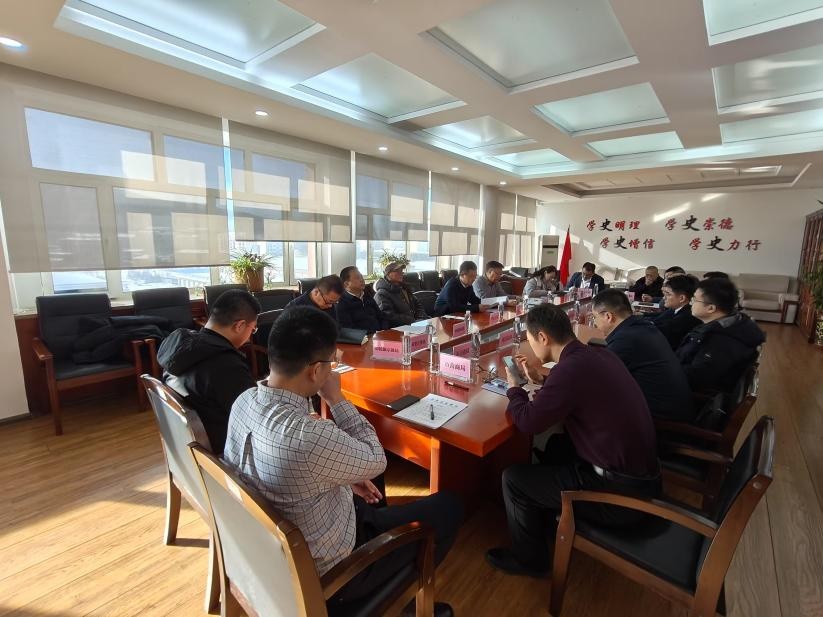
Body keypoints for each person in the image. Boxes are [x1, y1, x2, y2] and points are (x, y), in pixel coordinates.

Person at [224, 307, 462, 616]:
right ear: (315, 371)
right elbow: (377, 459)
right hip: (334, 572)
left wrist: (345, 479)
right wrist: (336, 398)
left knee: (371, 495)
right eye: (330, 363)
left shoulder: (243, 401)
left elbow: (300, 465)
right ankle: (409, 602)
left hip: (275, 548)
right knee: (449, 506)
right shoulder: (308, 437)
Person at [485, 304, 660, 577]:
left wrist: (515, 388)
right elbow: (575, 390)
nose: (530, 347)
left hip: (619, 497)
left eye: (529, 340)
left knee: (514, 479)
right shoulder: (598, 354)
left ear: (543, 338)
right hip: (643, 475)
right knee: (555, 446)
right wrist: (542, 380)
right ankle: (543, 518)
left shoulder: (569, 371)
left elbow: (528, 422)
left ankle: (529, 560)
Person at [157, 289, 260, 454]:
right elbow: (255, 418)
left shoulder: (178, 346)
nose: (249, 337)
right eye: (252, 329)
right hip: (222, 451)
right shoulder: (227, 365)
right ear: (240, 325)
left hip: (186, 446)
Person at [592, 290, 695, 421]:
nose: (594, 322)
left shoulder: (625, 340)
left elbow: (597, 378)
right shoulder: (641, 326)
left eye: (594, 317)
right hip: (672, 407)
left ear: (608, 316)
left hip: (660, 420)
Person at [677, 277, 765, 395]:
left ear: (711, 308)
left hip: (692, 396)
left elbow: (696, 378)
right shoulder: (732, 323)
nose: (690, 303)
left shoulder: (722, 340)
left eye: (694, 299)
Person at [648, 274, 701, 350]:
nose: (664, 298)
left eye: (668, 294)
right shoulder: (676, 309)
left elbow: (659, 331)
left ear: (682, 298)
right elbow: (659, 321)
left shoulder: (686, 317)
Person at [373, 262, 429, 327]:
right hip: (398, 329)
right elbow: (389, 316)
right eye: (397, 271)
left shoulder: (404, 288)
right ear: (388, 274)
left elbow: (417, 305)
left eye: (401, 271)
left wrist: (421, 318)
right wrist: (413, 321)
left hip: (414, 325)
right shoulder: (381, 294)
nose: (401, 273)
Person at [337, 266, 385, 333]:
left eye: (361, 277)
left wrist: (384, 331)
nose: (362, 280)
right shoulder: (342, 302)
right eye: (357, 278)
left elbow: (381, 317)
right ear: (346, 284)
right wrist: (371, 334)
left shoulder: (367, 296)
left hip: (380, 334)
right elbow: (348, 329)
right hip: (362, 338)